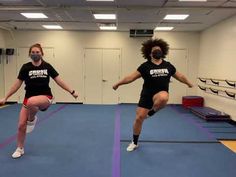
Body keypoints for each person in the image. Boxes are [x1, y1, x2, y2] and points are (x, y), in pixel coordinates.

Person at [113, 38, 193, 152]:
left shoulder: (168, 65)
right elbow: (130, 77)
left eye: (159, 50)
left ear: (163, 52)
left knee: (164, 97)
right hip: (147, 95)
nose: (157, 52)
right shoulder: (145, 66)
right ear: (150, 53)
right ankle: (134, 142)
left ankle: (152, 112)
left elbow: (180, 76)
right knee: (139, 118)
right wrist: (118, 84)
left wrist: (189, 83)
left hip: (160, 93)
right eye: (155, 50)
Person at [0, 43, 78, 158]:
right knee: (21, 125)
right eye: (33, 52)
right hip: (29, 99)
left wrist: (72, 91)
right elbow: (16, 84)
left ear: (42, 53)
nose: (35, 54)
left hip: (45, 98)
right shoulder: (26, 67)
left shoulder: (47, 66)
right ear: (29, 54)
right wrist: (6, 97)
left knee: (32, 102)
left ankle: (31, 120)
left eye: (37, 52)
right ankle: (20, 148)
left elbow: (59, 80)